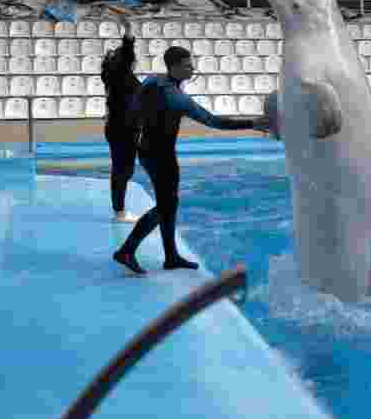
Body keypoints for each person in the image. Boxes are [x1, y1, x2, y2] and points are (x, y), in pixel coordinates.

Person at [112, 46, 268, 275]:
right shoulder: (175, 97)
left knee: (169, 204)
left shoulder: (152, 81)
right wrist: (253, 124)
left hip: (146, 150)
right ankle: (126, 251)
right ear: (174, 67)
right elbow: (214, 121)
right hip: (161, 156)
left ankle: (171, 256)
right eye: (187, 65)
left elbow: (135, 108)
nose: (192, 68)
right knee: (166, 206)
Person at [101, 20, 141, 223]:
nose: (135, 61)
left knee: (124, 170)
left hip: (122, 127)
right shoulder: (121, 75)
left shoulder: (116, 77)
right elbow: (127, 51)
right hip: (123, 129)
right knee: (121, 170)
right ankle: (120, 212)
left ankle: (120, 210)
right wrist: (128, 30)